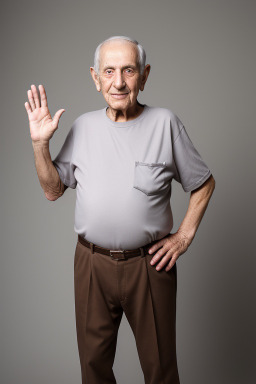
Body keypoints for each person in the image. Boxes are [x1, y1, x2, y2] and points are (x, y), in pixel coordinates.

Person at [25, 35, 215, 384]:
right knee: (93, 369)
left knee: (160, 370)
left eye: (128, 70)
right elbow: (53, 190)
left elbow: (203, 183)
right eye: (109, 71)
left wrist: (184, 237)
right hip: (91, 264)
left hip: (150, 266)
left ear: (144, 76)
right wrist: (40, 145)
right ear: (95, 78)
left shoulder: (165, 124)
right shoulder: (82, 127)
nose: (119, 82)